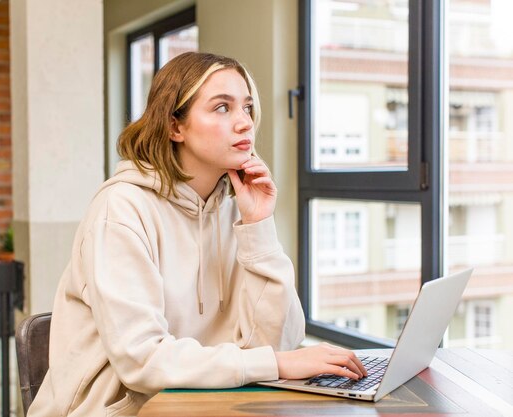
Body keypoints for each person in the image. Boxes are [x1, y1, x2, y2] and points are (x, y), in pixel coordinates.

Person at [27, 52, 366, 417]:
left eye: (247, 108)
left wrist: (258, 228)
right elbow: (143, 361)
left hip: (210, 404)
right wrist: (278, 364)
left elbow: (277, 344)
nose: (244, 123)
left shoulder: (237, 208)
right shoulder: (122, 209)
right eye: (222, 108)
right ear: (176, 126)